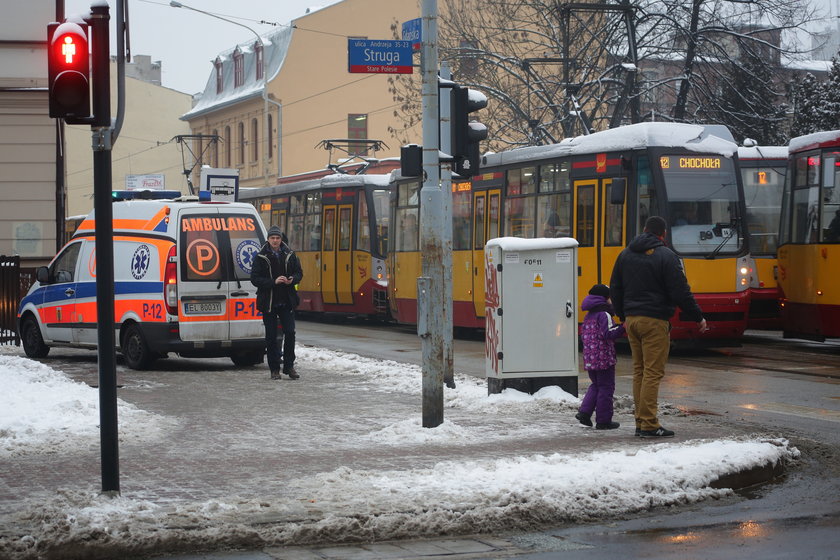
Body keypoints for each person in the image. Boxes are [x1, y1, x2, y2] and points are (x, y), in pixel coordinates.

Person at [609, 216, 708, 438]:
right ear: (662, 234)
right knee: (652, 373)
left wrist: (623, 316)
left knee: (639, 372)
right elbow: (680, 291)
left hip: (632, 320)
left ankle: (640, 421)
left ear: (644, 230)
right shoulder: (667, 256)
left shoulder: (625, 254)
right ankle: (649, 424)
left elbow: (615, 287)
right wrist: (697, 317)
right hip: (654, 321)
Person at [251, 225, 303, 380]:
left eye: (277, 238)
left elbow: (299, 272)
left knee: (290, 333)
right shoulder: (261, 256)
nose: (275, 241)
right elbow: (255, 279)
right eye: (272, 238)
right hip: (269, 302)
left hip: (287, 301)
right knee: (271, 336)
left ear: (281, 239)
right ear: (268, 239)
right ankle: (274, 369)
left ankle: (289, 366)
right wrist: (273, 281)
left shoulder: (290, 254)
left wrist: (292, 279)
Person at [575, 284, 625, 430]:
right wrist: (623, 327)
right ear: (605, 298)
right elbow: (608, 333)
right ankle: (604, 421)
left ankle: (584, 413)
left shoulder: (588, 315)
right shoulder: (604, 314)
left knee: (596, 385)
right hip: (603, 358)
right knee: (606, 388)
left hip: (590, 357)